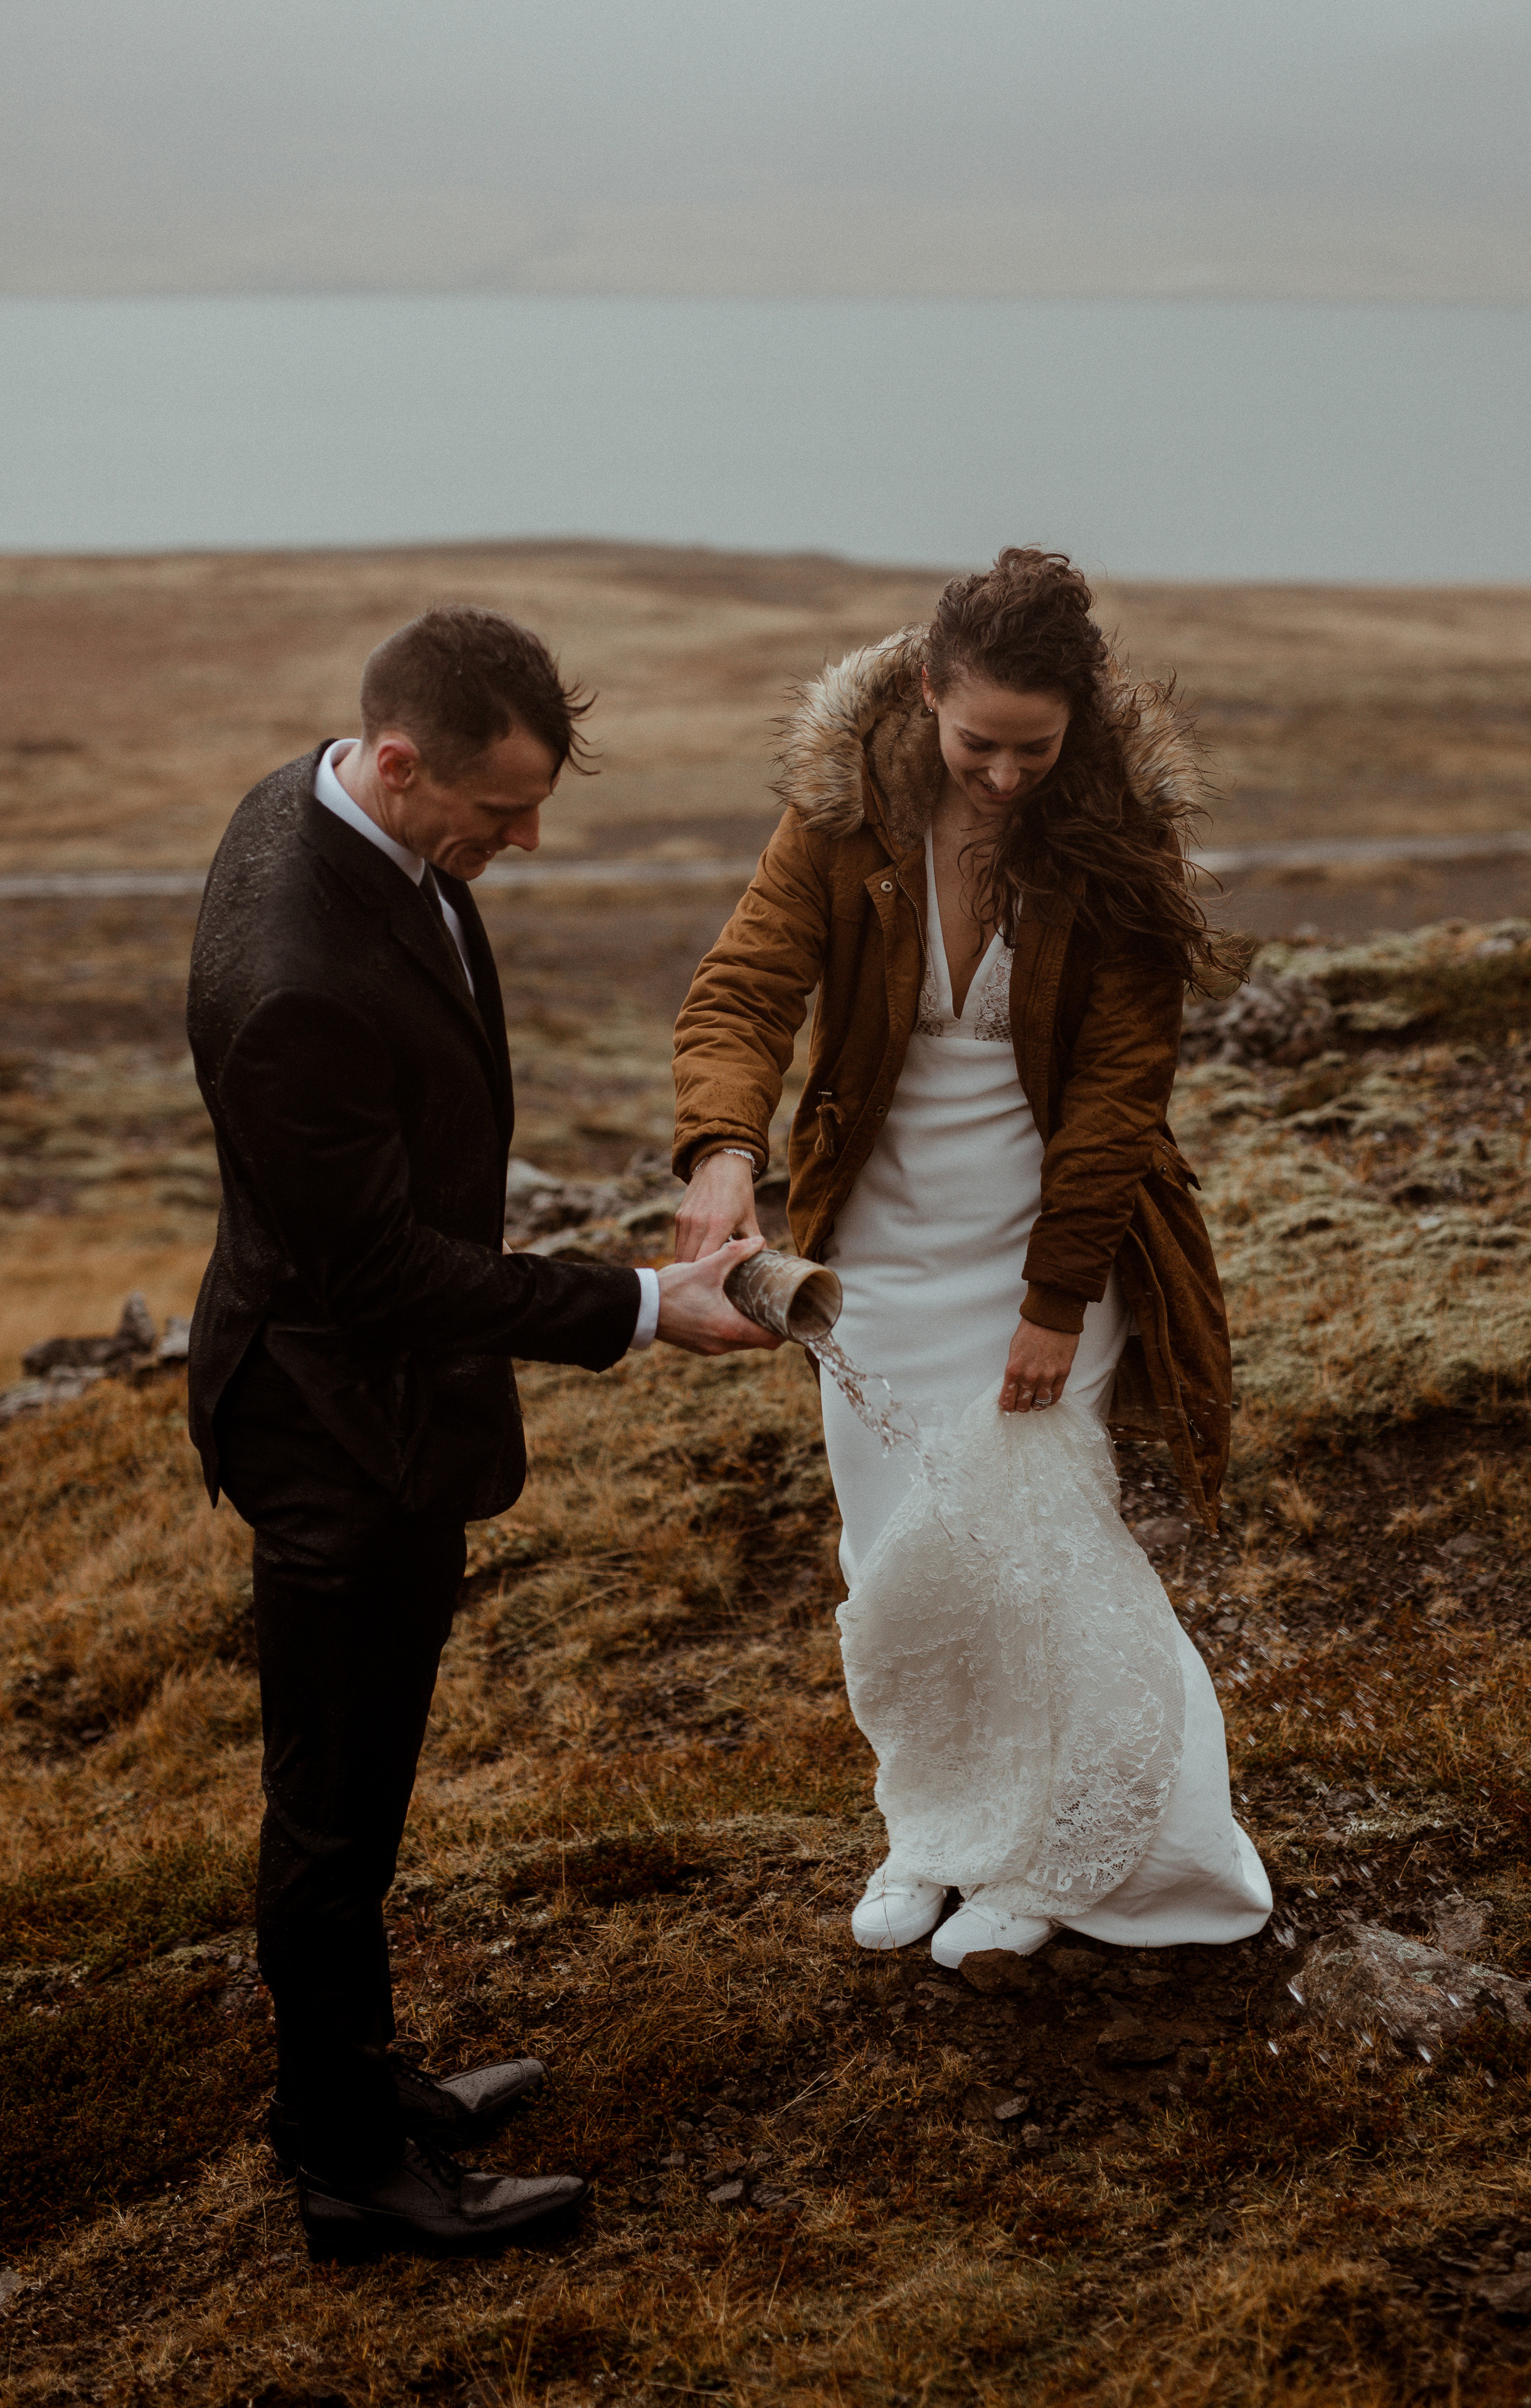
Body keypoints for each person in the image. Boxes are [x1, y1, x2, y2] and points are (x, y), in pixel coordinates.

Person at [187, 606, 773, 2262]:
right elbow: (373, 1272)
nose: (524, 843)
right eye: (500, 812)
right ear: (396, 763)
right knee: (332, 1814)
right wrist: (644, 1308)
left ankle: (356, 2083)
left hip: (380, 1403)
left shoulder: (335, 812)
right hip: (332, 1430)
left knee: (359, 1790)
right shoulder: (293, 976)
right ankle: (347, 2167)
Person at [671, 549, 1271, 1970]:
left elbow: (1120, 1095)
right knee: (895, 1554)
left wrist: (1055, 1302)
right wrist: (722, 1148)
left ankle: (1057, 1855)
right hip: (874, 1256)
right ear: (929, 690)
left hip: (1045, 1241)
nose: (1004, 777)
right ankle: (933, 1830)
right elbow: (744, 988)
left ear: (1079, 724)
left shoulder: (1116, 832)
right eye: (978, 745)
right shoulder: (840, 816)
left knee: (1036, 1558)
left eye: (1035, 750)